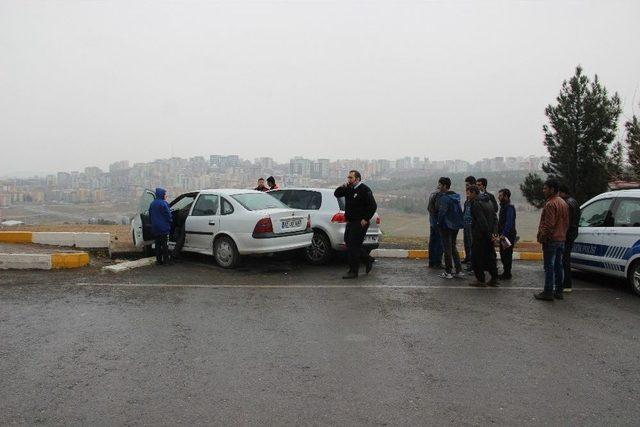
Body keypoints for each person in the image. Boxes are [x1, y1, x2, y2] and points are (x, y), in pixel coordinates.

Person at [334, 170, 377, 279]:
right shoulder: (349, 188)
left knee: (353, 246)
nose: (348, 179)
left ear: (357, 179)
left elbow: (372, 206)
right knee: (350, 243)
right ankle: (368, 259)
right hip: (350, 221)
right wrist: (343, 186)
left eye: (351, 178)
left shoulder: (364, 189)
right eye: (348, 177)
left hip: (359, 223)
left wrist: (365, 219)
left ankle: (353, 271)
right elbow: (337, 193)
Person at [534, 178, 569, 301]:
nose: (543, 190)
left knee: (549, 266)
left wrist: (543, 238)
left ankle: (548, 291)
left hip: (551, 240)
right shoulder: (563, 203)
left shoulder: (550, 204)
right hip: (561, 239)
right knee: (559, 266)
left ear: (552, 189)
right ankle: (559, 291)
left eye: (545, 188)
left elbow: (549, 225)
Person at [467, 185, 499, 286]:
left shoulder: (476, 203)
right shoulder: (488, 201)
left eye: (468, 193)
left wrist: (487, 235)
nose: (467, 196)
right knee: (490, 257)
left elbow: (482, 221)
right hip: (489, 235)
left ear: (473, 192)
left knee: (476, 257)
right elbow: (495, 219)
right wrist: (493, 234)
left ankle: (480, 280)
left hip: (480, 236)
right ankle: (494, 278)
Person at [436, 177, 465, 279]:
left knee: (447, 249)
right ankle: (459, 270)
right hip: (455, 226)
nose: (438, 187)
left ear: (444, 186)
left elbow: (441, 212)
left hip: (446, 226)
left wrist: (439, 222)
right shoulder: (456, 197)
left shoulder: (444, 198)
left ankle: (448, 272)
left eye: (440, 185)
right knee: (453, 247)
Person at [559, 184, 579, 293]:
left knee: (564, 260)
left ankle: (566, 284)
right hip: (572, 233)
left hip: (567, 235)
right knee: (566, 259)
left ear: (562, 192)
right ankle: (566, 284)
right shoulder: (574, 202)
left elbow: (567, 222)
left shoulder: (567, 204)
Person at [149, 187, 172, 266]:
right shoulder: (164, 203)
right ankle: (166, 261)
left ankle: (158, 261)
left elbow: (150, 215)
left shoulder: (152, 203)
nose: (166, 196)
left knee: (157, 245)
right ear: (162, 194)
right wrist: (170, 221)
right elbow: (168, 215)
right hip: (163, 228)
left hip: (155, 227)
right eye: (165, 194)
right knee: (164, 245)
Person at [497, 188, 517, 280]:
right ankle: (506, 272)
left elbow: (508, 223)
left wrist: (503, 234)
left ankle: (507, 273)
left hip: (507, 236)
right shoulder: (504, 207)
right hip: (503, 235)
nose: (499, 197)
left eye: (501, 195)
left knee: (507, 254)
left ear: (506, 196)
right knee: (503, 253)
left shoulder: (509, 207)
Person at [427, 188, 444, 269]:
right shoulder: (439, 195)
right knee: (439, 241)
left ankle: (431, 262)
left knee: (432, 241)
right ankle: (438, 262)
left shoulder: (432, 193)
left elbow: (428, 208)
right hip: (437, 220)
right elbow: (439, 209)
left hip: (432, 219)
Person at [462, 176, 476, 267]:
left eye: (468, 185)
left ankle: (472, 261)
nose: (466, 187)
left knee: (472, 243)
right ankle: (468, 258)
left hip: (472, 224)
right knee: (466, 241)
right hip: (465, 223)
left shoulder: (475, 197)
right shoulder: (468, 196)